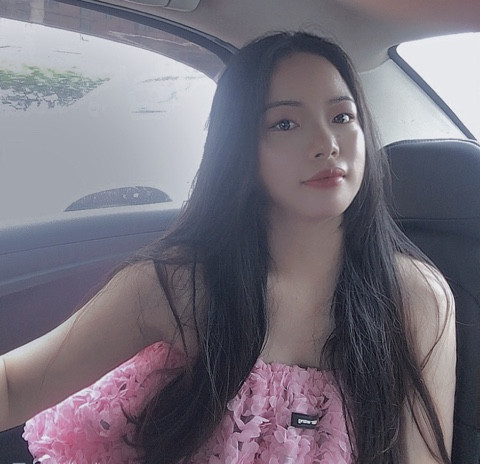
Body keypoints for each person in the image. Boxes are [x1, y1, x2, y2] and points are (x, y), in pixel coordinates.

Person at [0, 32, 455, 464]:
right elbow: (14, 387)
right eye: (285, 123)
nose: (327, 144)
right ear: (240, 147)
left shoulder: (417, 298)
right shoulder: (179, 284)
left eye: (342, 117)